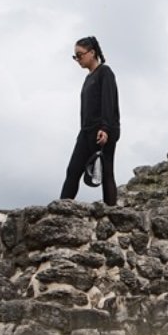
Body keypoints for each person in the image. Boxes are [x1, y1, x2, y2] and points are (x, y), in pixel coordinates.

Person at [60, 35, 120, 206]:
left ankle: (112, 213)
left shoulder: (105, 72)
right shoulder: (88, 78)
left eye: (80, 55)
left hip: (102, 130)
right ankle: (62, 210)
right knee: (73, 170)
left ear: (92, 52)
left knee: (107, 171)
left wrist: (106, 128)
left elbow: (109, 101)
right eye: (75, 56)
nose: (77, 59)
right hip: (86, 131)